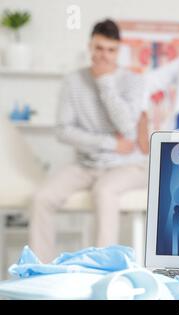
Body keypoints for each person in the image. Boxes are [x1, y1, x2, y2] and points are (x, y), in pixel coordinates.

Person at [29, 19, 148, 263]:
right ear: (90, 47)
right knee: (42, 198)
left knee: (104, 192)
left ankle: (100, 270)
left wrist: (105, 83)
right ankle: (40, 270)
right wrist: (110, 143)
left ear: (119, 50)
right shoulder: (73, 81)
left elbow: (127, 127)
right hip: (86, 164)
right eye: (99, 48)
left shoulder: (133, 81)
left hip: (126, 165)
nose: (104, 56)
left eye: (111, 50)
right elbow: (63, 131)